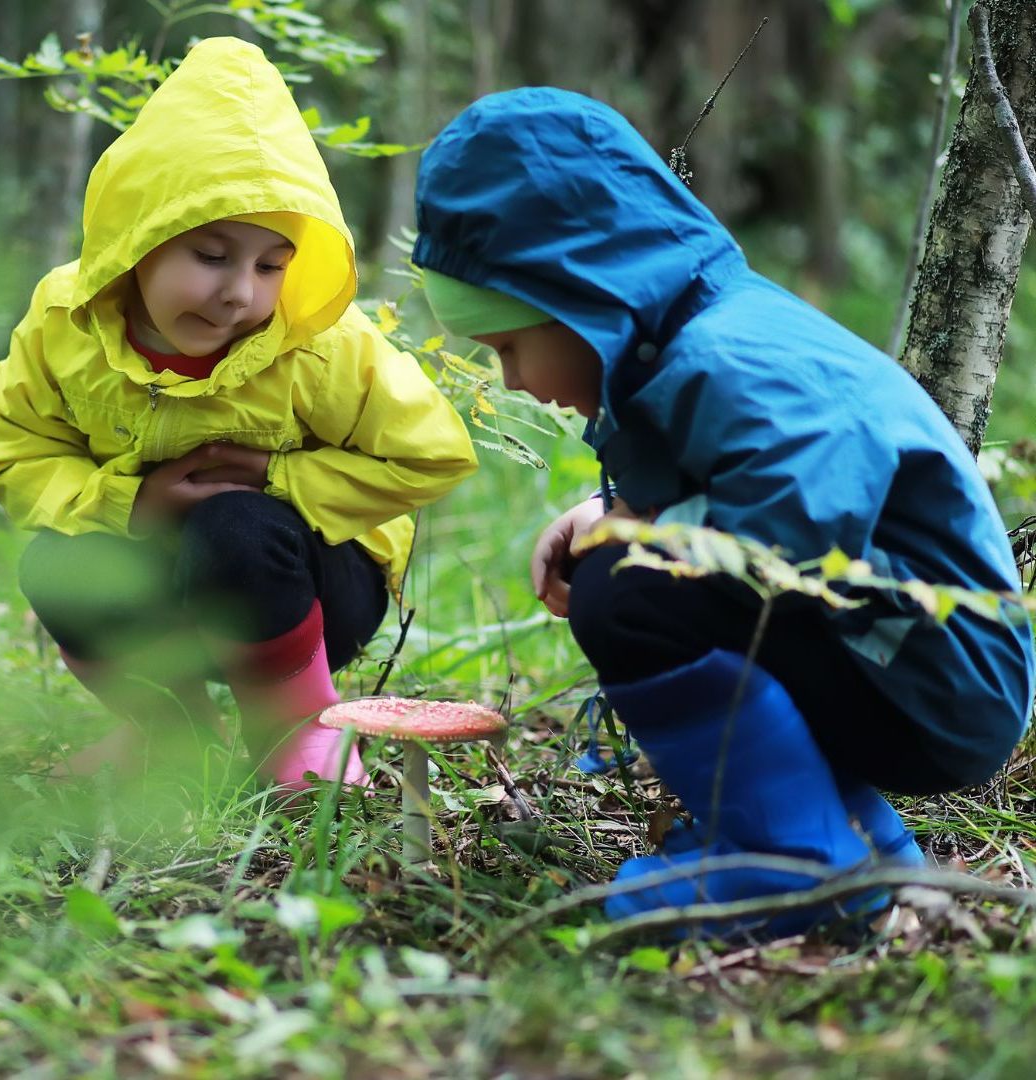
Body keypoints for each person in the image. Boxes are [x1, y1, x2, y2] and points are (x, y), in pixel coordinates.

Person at [412, 86, 1035, 937]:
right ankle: (855, 840)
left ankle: (795, 870)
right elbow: (736, 486)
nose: (514, 380)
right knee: (633, 571)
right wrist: (612, 507)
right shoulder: (689, 341)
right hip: (899, 654)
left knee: (629, 591)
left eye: (510, 345)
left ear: (584, 301)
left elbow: (793, 529)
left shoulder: (738, 354)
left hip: (937, 677)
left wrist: (631, 532)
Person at [0, 38, 477, 794]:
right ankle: (171, 734)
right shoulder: (64, 322)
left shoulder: (319, 347)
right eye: (210, 255)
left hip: (303, 593)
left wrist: (281, 474)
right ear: (135, 241)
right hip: (157, 582)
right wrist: (131, 503)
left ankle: (298, 729)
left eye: (271, 265)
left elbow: (433, 454)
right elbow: (15, 453)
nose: (240, 292)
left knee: (235, 525)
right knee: (56, 562)